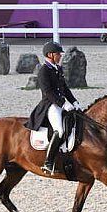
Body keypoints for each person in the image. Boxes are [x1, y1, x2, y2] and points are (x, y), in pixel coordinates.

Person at [25, 41, 83, 175]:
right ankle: (48, 162)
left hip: (60, 103)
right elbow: (48, 92)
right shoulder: (43, 70)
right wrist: (63, 104)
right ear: (50, 55)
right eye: (58, 54)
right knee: (60, 130)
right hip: (50, 105)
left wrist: (74, 102)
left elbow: (65, 88)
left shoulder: (58, 68)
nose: (60, 56)